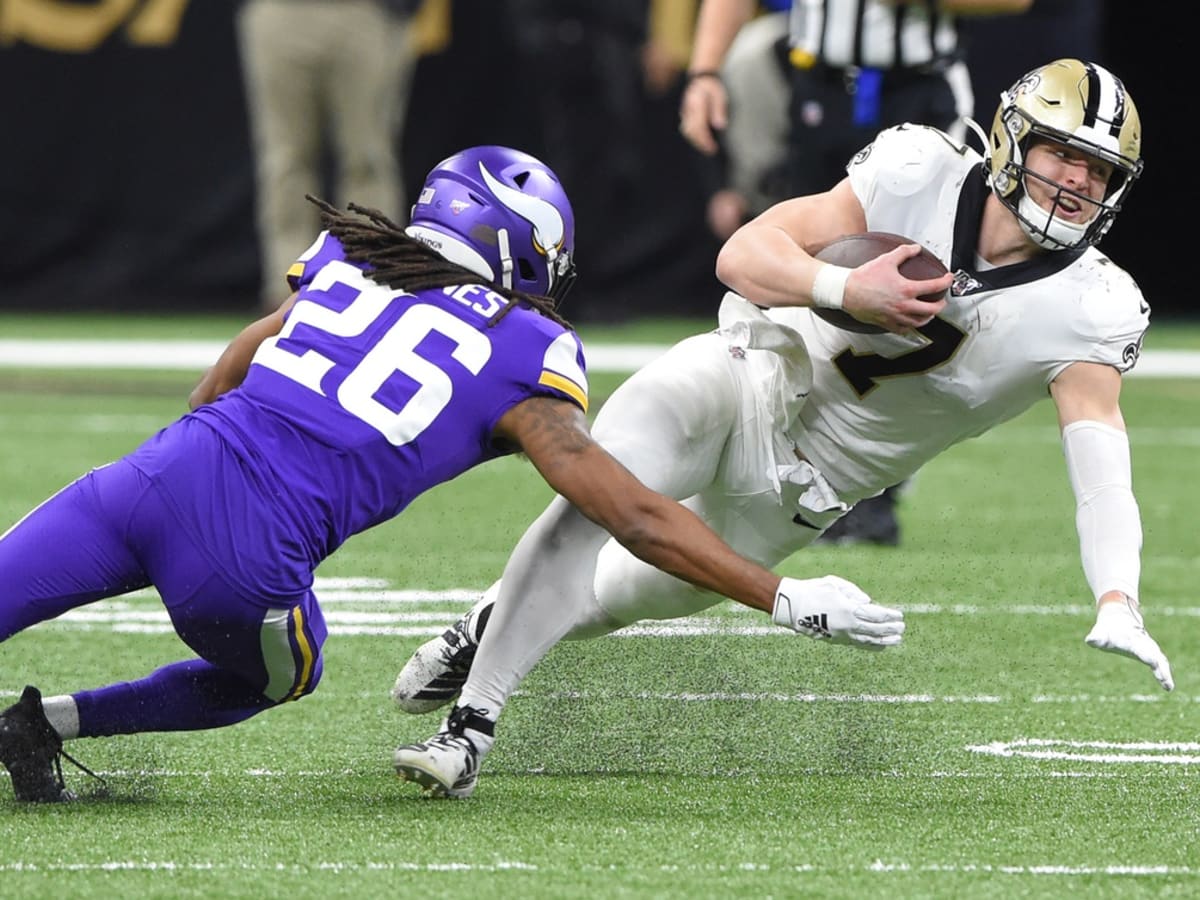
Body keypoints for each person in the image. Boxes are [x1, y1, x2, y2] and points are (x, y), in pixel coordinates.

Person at [0, 146, 905, 804]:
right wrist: (777, 593)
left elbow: (253, 344)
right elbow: (630, 514)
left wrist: (192, 436)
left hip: (146, 478)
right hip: (245, 559)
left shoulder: (353, 253)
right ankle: (49, 725)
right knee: (286, 674)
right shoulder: (525, 349)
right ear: (523, 247)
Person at [392, 59, 1174, 799]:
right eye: (1064, 155)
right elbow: (744, 253)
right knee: (602, 497)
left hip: (804, 489)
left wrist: (1118, 598)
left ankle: (481, 626)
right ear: (1012, 141)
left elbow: (1101, 464)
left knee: (613, 599)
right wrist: (840, 287)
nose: (1078, 182)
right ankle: (471, 730)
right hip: (755, 368)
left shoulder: (1091, 308)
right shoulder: (918, 170)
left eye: (1099, 171)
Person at [682, 0, 1033, 545]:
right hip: (817, 85)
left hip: (917, 93)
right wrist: (705, 72)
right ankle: (753, 449)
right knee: (798, 263)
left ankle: (873, 490)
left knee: (915, 284)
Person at [236, 0, 424, 311]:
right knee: (285, 161)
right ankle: (287, 289)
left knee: (368, 158)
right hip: (281, 11)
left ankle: (374, 280)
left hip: (364, 12)